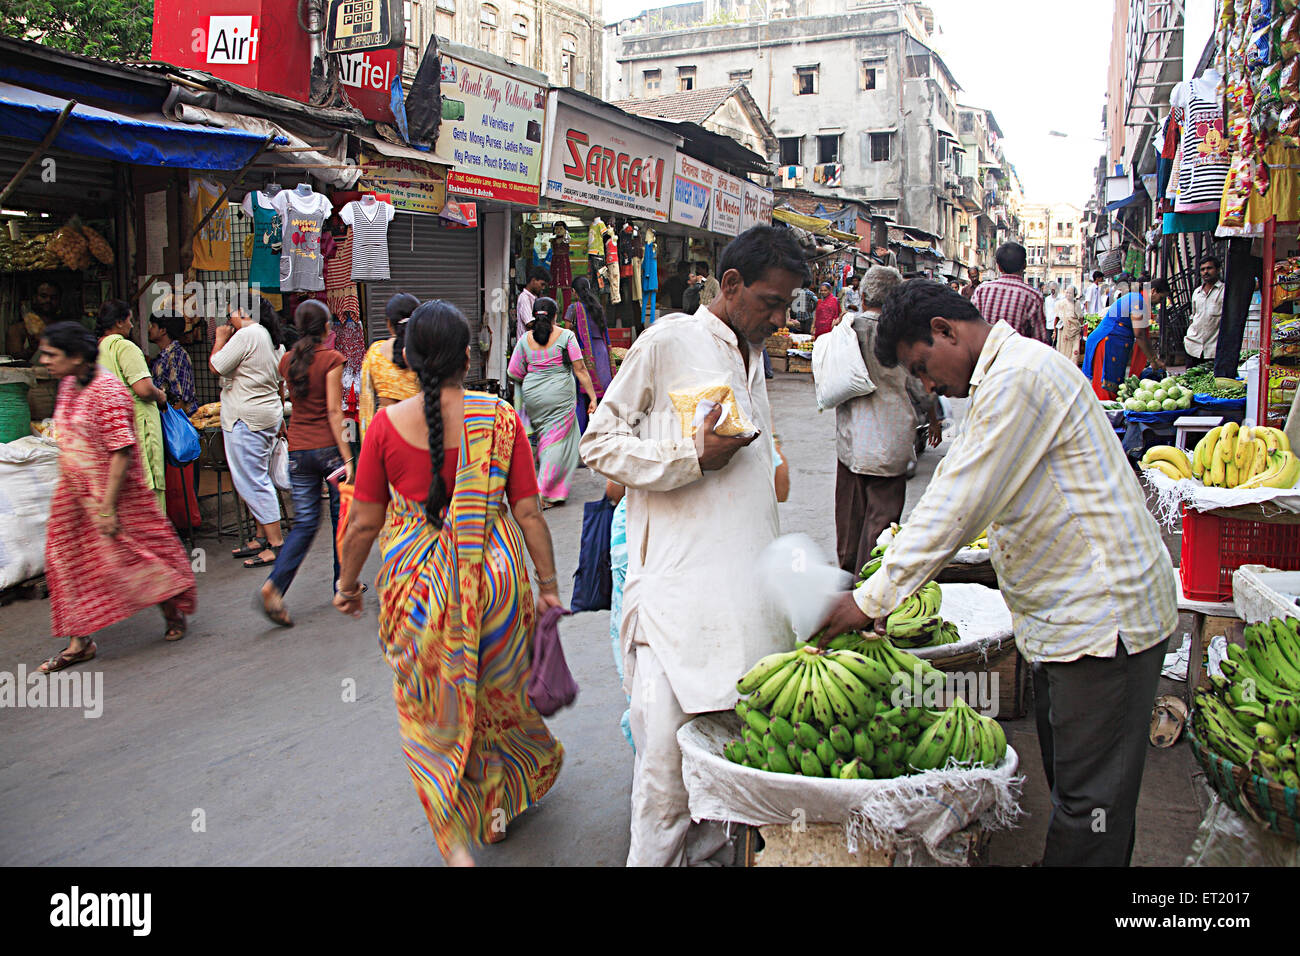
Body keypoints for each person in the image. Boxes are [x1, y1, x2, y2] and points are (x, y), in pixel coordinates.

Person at [815, 280, 1177, 867]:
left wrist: (872, 598)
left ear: (945, 330)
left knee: (1095, 803)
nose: (929, 385)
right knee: (1075, 781)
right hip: (1068, 623)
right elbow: (960, 476)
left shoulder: (1020, 378)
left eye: (922, 366)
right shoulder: (1002, 380)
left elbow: (960, 498)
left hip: (1105, 622)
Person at [580, 224, 807, 867]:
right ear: (729, 285)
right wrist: (687, 456)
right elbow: (599, 444)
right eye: (770, 301)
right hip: (677, 611)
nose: (780, 317)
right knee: (666, 785)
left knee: (727, 783)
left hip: (748, 612)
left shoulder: (753, 356)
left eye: (787, 304)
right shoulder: (668, 340)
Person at [332, 300, 564, 867]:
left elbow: (363, 522)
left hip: (420, 588)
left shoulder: (385, 427)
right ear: (468, 356)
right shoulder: (501, 418)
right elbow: (530, 512)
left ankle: (455, 841)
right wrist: (549, 583)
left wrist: (347, 585)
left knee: (430, 708)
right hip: (499, 579)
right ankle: (496, 810)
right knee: (494, 696)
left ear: (408, 359)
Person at [34, 322, 197, 671]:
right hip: (75, 495)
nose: (44, 360)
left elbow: (121, 450)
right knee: (65, 561)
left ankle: (170, 606)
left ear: (76, 357)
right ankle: (80, 641)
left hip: (116, 495)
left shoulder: (106, 389)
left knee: (136, 555)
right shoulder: (67, 386)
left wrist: (107, 508)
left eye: (51, 354)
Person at [833, 265, 941, 574]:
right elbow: (922, 387)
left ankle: (846, 579)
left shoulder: (846, 330)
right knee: (880, 522)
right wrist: (932, 417)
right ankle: (868, 584)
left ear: (863, 296)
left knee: (850, 518)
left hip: (851, 441)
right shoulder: (903, 337)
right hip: (891, 440)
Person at [258, 300, 353, 627]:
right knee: (342, 519)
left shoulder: (287, 360)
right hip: (327, 450)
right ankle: (343, 586)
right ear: (326, 328)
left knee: (306, 522)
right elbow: (333, 411)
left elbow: (290, 399)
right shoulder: (332, 360)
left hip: (298, 451)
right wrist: (347, 457)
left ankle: (275, 586)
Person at [210, 295, 287, 568]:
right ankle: (261, 536)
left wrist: (219, 339)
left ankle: (276, 544)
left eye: (231, 313)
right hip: (267, 416)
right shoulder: (269, 337)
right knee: (258, 476)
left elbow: (216, 365)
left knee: (253, 481)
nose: (228, 320)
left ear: (242, 312)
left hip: (245, 418)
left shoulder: (247, 334)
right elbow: (280, 382)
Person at [508, 296, 598, 508]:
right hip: (559, 396)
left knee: (546, 440)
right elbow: (580, 369)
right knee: (554, 443)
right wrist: (592, 396)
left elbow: (514, 371)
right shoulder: (566, 336)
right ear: (555, 315)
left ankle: (553, 489)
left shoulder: (525, 340)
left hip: (533, 396)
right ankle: (543, 492)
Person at [96, 300, 167, 513]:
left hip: (114, 428)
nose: (132, 326)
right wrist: (161, 395)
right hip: (138, 424)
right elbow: (143, 389)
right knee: (148, 485)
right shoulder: (124, 347)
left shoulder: (98, 348)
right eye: (129, 320)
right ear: (119, 322)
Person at [148, 311, 201, 530]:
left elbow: (182, 396)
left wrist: (170, 416)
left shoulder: (176, 355)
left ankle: (187, 521)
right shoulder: (162, 356)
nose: (149, 329)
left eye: (152, 325)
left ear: (162, 330)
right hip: (169, 421)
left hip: (178, 423)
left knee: (183, 473)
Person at [1083, 275, 1168, 400]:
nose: (1159, 303)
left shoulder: (1138, 298)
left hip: (1113, 342)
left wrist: (1154, 359)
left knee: (1112, 384)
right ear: (1154, 291)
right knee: (1106, 386)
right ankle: (1107, 416)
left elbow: (1143, 336)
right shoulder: (1138, 301)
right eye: (1161, 298)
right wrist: (1153, 360)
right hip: (1108, 342)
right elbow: (1140, 335)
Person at [359, 292, 420, 437]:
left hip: (385, 432)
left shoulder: (375, 352)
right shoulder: (426, 350)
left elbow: (366, 402)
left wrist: (367, 441)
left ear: (388, 324)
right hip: (418, 433)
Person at [971, 243, 1048, 342]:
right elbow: (1040, 340)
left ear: (999, 267)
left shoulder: (981, 291)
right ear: (1024, 265)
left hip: (985, 354)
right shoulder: (1033, 297)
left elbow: (971, 326)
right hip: (1017, 355)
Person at [566, 275, 614, 434]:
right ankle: (602, 437)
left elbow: (567, 333)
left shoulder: (574, 308)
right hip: (601, 353)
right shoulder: (597, 307)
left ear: (574, 292)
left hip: (584, 352)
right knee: (600, 399)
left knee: (582, 397)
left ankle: (581, 437)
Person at [8, 281, 64, 359]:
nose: (48, 300)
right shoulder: (18, 329)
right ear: (34, 298)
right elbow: (15, 360)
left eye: (53, 297)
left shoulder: (65, 328)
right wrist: (32, 348)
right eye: (43, 296)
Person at [1184, 255, 1225, 362]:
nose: (1205, 272)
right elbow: (1194, 315)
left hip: (1213, 348)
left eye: (1209, 268)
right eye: (1202, 269)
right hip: (1193, 346)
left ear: (1218, 270)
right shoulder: (1197, 293)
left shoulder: (1224, 291)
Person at [516, 266, 551, 340]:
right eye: (542, 284)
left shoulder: (535, 298)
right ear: (533, 280)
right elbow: (529, 323)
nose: (543, 288)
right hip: (526, 346)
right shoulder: (524, 298)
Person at [1054, 285, 1084, 366]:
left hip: (1074, 330)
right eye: (1067, 292)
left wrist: (1081, 328)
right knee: (1063, 350)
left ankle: (1073, 367)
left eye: (1070, 293)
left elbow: (1081, 317)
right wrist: (1054, 331)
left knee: (1074, 351)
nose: (1068, 294)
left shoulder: (1076, 303)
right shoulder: (1060, 303)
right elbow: (1056, 317)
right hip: (1063, 330)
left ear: (1074, 294)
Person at [1043, 283, 1060, 347]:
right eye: (1051, 289)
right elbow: (1045, 310)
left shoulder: (1061, 298)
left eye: (1054, 289)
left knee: (1056, 342)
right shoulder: (1047, 299)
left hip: (1057, 323)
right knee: (1049, 341)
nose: (1052, 291)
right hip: (1049, 323)